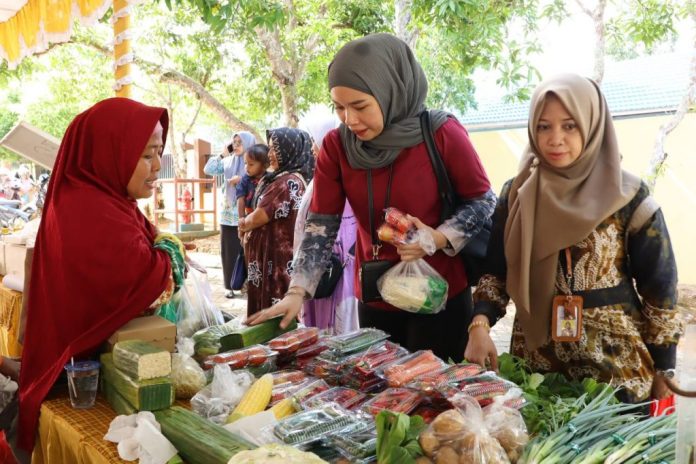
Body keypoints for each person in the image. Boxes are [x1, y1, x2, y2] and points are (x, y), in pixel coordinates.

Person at [247, 33, 495, 362]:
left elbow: (483, 201)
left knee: (437, 396)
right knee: (383, 397)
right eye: (339, 107)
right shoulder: (337, 147)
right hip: (376, 297)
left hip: (439, 295)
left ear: (390, 91)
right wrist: (297, 291)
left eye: (360, 106)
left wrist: (436, 237)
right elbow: (321, 223)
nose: (349, 119)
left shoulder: (440, 134)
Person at [464, 73, 681, 403]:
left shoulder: (628, 197)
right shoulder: (518, 193)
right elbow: (496, 272)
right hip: (537, 370)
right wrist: (479, 325)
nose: (555, 139)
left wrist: (665, 369)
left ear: (592, 125)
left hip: (615, 371)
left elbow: (660, 292)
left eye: (569, 126)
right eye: (543, 126)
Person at [17, 98, 185, 450]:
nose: (157, 166)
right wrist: (171, 252)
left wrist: (163, 246)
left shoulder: (105, 198)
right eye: (146, 155)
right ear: (111, 152)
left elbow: (151, 247)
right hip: (78, 384)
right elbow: (149, 278)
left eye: (159, 153)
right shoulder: (90, 211)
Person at [294, 109, 359, 334]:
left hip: (336, 267)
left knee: (340, 328)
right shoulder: (323, 178)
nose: (313, 148)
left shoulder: (343, 178)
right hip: (322, 267)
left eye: (315, 141)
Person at [239, 128, 314, 316]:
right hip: (271, 262)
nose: (270, 154)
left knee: (271, 315)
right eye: (270, 149)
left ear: (290, 150)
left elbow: (260, 216)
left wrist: (243, 224)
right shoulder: (286, 178)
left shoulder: (287, 183)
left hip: (275, 264)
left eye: (275, 150)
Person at [204, 131, 257, 298]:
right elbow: (208, 169)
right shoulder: (227, 162)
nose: (236, 145)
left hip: (248, 215)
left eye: (240, 142)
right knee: (229, 252)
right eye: (234, 142)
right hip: (228, 216)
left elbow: (258, 181)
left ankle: (247, 284)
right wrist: (222, 154)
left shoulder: (255, 162)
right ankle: (229, 286)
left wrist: (241, 180)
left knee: (249, 250)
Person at [236, 144, 270, 228]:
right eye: (245, 163)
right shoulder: (245, 180)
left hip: (264, 217)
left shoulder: (270, 179)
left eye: (251, 164)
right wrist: (241, 217)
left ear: (264, 165)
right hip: (249, 216)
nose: (246, 167)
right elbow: (241, 199)